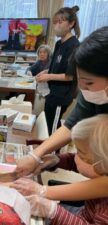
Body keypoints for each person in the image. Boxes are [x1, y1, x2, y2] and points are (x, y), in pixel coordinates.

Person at [15, 26, 108, 199]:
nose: (82, 89)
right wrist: (36, 155)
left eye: (88, 83)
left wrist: (44, 192)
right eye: (80, 81)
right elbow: (70, 125)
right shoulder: (93, 94)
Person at [10, 115, 108, 224]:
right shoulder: (102, 168)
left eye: (81, 153)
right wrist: (56, 160)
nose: (75, 156)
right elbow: (81, 164)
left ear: (101, 164)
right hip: (83, 212)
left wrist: (53, 211)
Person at [36, 6, 80, 134]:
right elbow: (56, 66)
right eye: (55, 22)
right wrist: (46, 72)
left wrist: (48, 77)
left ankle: (54, 152)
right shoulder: (58, 43)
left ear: (71, 24)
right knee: (47, 122)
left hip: (62, 95)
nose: (56, 26)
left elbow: (70, 76)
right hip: (51, 92)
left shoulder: (74, 45)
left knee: (53, 128)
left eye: (60, 22)